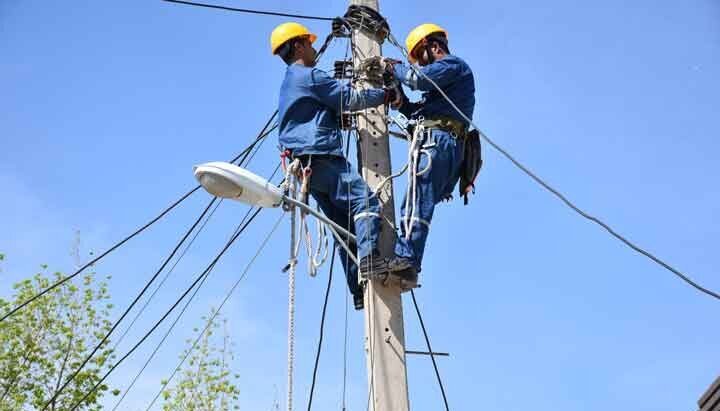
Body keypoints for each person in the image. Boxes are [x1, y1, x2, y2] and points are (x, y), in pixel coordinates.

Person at [271, 22, 400, 309]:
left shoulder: (290, 82)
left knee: (344, 227)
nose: (314, 48)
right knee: (365, 201)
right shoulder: (308, 76)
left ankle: (357, 289)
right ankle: (369, 261)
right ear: (298, 46)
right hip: (322, 158)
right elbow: (349, 99)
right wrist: (385, 95)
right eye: (309, 43)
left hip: (307, 169)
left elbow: (328, 106)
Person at [387, 23, 476, 276]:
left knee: (416, 201)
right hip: (445, 144)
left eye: (422, 59)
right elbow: (419, 112)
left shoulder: (453, 66)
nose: (421, 66)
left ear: (434, 47)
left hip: (439, 142)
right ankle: (408, 259)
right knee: (419, 199)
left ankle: (406, 259)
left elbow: (417, 79)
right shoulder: (445, 88)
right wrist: (400, 101)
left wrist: (393, 67)